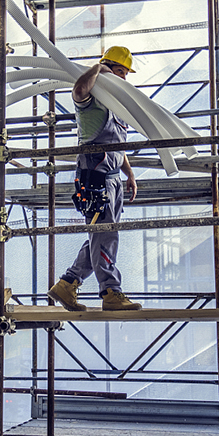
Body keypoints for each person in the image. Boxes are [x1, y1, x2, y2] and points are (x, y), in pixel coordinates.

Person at [47, 46, 142, 312]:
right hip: (95, 179)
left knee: (100, 236)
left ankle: (68, 283)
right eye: (120, 71)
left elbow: (117, 146)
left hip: (113, 179)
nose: (123, 78)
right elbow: (78, 92)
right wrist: (98, 69)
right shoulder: (93, 104)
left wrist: (130, 174)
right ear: (109, 67)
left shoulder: (116, 108)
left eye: (125, 73)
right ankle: (111, 291)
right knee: (105, 235)